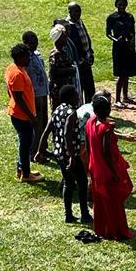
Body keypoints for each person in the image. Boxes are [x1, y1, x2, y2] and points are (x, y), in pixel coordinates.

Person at [35, 84, 90, 224]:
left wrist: (39, 151)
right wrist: (72, 156)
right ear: (70, 97)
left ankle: (68, 215)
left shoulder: (57, 110)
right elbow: (67, 134)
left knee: (68, 183)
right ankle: (85, 214)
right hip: (71, 155)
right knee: (82, 183)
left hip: (59, 154)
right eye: (76, 95)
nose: (78, 97)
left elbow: (47, 131)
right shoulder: (71, 113)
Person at [84, 94, 133, 240]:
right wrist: (113, 172)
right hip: (106, 170)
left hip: (95, 167)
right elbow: (107, 152)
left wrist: (89, 164)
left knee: (99, 201)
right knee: (113, 202)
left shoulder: (90, 123)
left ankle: (102, 228)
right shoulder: (106, 128)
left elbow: (88, 145)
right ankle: (115, 231)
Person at [6, 44, 42, 183]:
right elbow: (18, 98)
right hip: (22, 116)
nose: (29, 58)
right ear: (19, 57)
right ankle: (26, 174)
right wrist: (31, 116)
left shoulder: (13, 68)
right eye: (27, 56)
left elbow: (9, 91)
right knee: (26, 143)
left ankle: (21, 169)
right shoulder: (17, 74)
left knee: (25, 142)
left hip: (20, 113)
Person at [106, 0, 136, 107]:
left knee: (127, 74)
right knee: (121, 74)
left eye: (124, 4)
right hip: (118, 48)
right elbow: (108, 33)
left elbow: (133, 32)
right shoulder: (112, 18)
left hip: (128, 47)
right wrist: (115, 40)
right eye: (120, 4)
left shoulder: (129, 17)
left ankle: (125, 96)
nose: (122, 6)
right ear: (116, 5)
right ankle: (117, 99)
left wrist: (132, 43)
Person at [22, 30, 49, 153]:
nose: (35, 45)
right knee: (37, 124)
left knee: (44, 122)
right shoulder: (24, 59)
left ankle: (43, 147)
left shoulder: (37, 54)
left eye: (36, 42)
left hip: (43, 92)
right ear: (25, 43)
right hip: (35, 95)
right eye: (32, 43)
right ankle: (34, 150)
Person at [66, 2, 95, 100]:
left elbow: (85, 36)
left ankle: (91, 108)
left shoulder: (79, 21)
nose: (78, 13)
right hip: (79, 62)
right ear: (70, 12)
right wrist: (81, 59)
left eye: (79, 11)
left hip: (86, 59)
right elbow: (72, 45)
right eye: (76, 11)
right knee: (81, 87)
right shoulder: (68, 25)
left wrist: (90, 52)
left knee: (90, 87)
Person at [48, 23, 79, 108]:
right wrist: (69, 70)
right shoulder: (55, 54)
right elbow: (53, 72)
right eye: (63, 37)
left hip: (65, 87)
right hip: (58, 90)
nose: (66, 38)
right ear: (58, 39)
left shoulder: (62, 51)